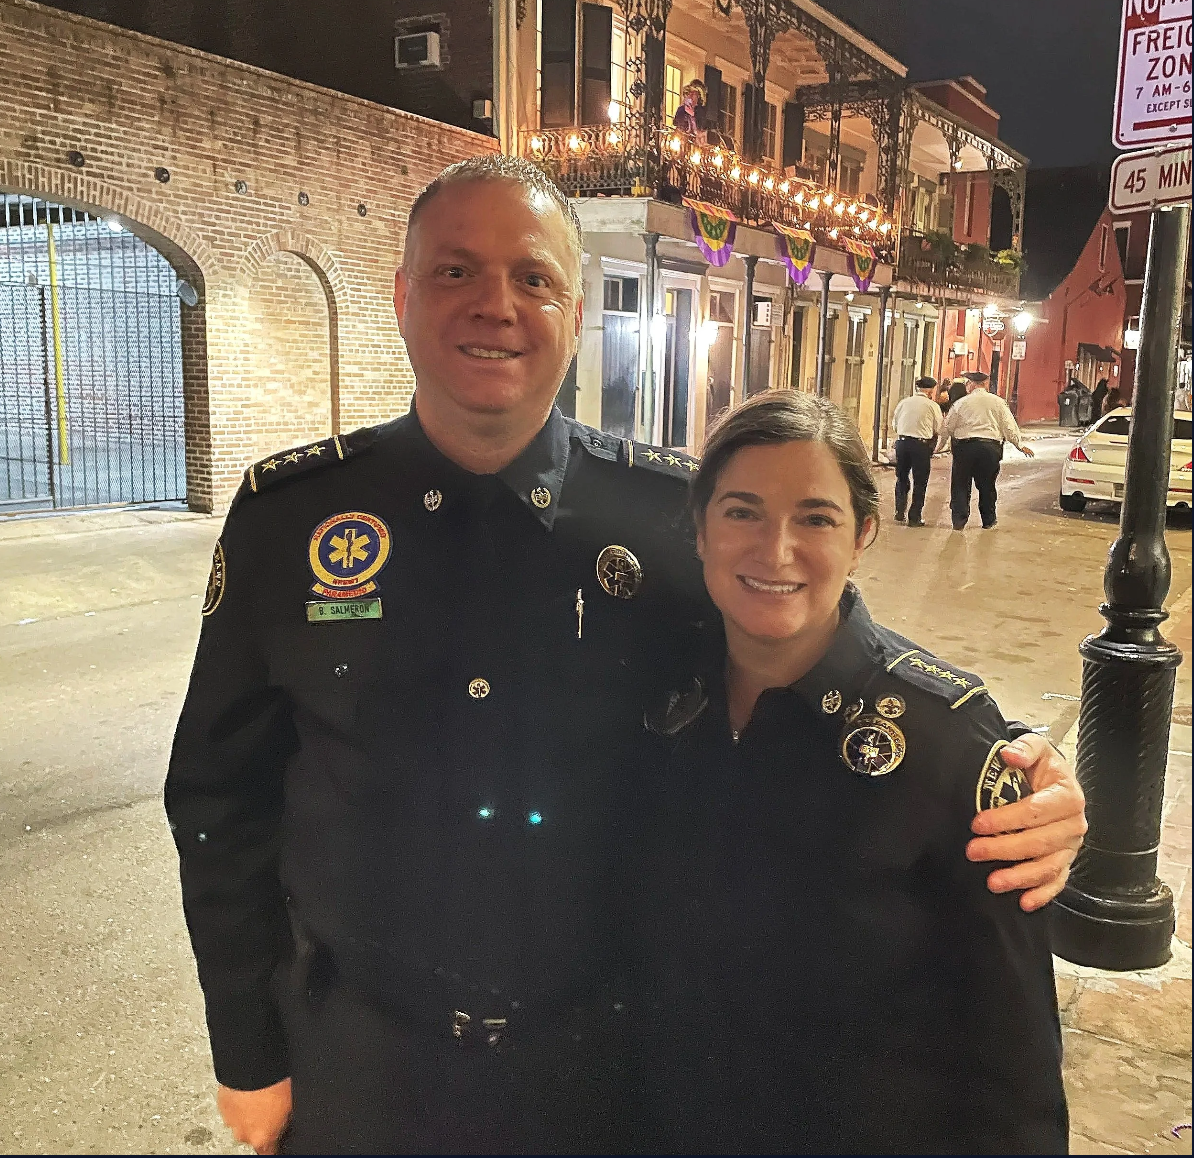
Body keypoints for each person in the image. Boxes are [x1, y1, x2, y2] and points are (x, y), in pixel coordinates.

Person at [165, 155, 1086, 1156]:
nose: (496, 306)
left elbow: (804, 648)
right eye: (457, 272)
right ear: (402, 295)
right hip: (364, 1065)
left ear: (573, 309)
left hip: (613, 1075)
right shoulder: (290, 520)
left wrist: (999, 775)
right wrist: (245, 1048)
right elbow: (219, 799)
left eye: (533, 278)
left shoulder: (661, 514)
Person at [639, 391, 1069, 1153]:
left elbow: (1014, 1066)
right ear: (699, 531)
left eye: (816, 518)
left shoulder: (946, 737)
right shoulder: (655, 690)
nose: (776, 551)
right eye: (741, 512)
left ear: (862, 534)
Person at [938, 369, 1034, 530]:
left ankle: (959, 521)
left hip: (965, 448)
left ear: (972, 385)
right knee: (987, 485)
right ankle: (988, 519)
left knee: (961, 484)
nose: (967, 386)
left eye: (968, 383)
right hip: (990, 448)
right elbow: (1008, 426)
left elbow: (948, 427)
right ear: (985, 384)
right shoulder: (998, 402)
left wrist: (939, 446)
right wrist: (1019, 444)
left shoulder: (961, 403)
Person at [891, 376, 941, 526]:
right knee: (920, 481)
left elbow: (895, 424)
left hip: (902, 443)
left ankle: (899, 512)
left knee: (901, 478)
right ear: (931, 390)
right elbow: (938, 428)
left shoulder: (904, 403)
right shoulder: (932, 406)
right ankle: (915, 517)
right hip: (921, 446)